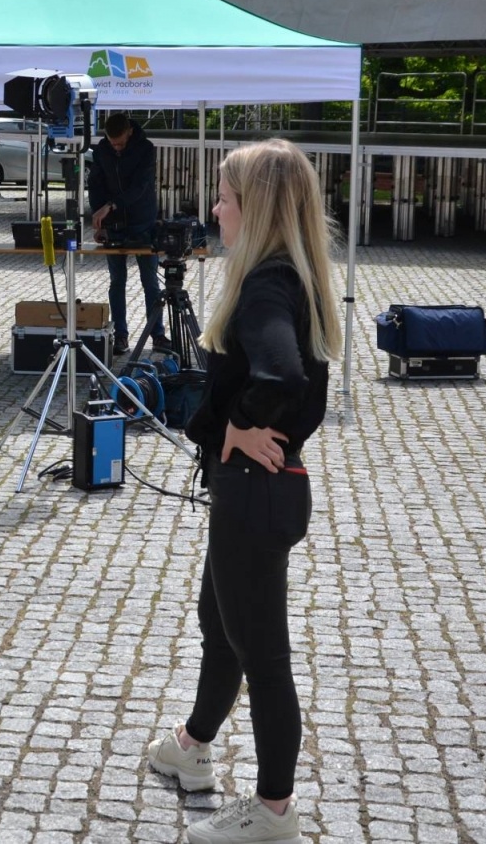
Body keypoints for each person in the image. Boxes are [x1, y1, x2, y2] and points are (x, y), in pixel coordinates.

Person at [145, 138, 342, 844]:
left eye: (225, 196)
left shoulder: (265, 283)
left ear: (253, 207)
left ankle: (273, 810)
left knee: (262, 655)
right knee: (221, 628)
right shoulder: (292, 274)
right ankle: (191, 746)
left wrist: (232, 426)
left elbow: (283, 377)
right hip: (264, 492)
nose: (214, 209)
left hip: (257, 494)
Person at [87, 112, 164, 354]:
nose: (116, 147)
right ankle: (120, 335)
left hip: (143, 223)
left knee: (150, 281)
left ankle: (158, 334)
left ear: (130, 131)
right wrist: (101, 219)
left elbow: (140, 187)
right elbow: (95, 185)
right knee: (117, 281)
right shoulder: (101, 151)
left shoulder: (146, 149)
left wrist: (112, 205)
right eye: (112, 143)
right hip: (115, 227)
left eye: (119, 143)